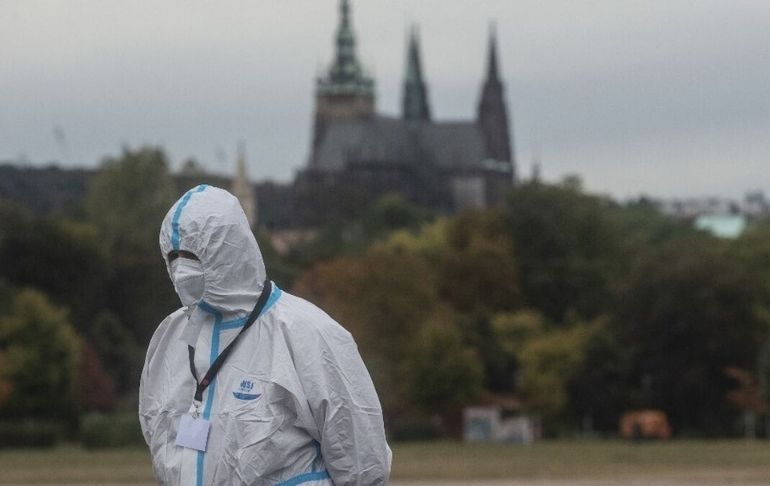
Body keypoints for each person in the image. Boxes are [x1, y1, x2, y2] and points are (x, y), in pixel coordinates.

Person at [139, 185, 391, 485]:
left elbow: (362, 460)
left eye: (193, 254)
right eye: (174, 255)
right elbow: (158, 432)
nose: (182, 269)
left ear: (229, 249)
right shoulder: (170, 338)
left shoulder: (307, 333)